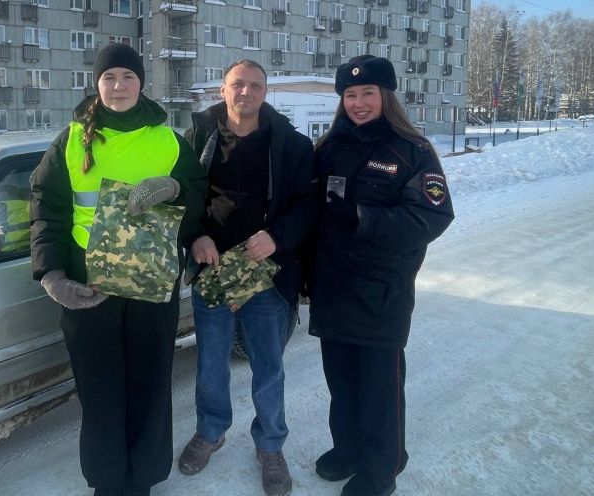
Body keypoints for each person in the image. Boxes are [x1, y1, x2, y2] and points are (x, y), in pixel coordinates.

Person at [30, 42, 206, 496]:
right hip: (88, 286)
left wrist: (174, 187)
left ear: (142, 82)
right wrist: (52, 275)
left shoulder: (166, 139)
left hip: (151, 283)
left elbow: (199, 199)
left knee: (149, 385)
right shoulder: (72, 140)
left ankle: (143, 479)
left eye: (128, 76)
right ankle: (108, 482)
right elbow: (45, 210)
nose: (119, 85)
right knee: (100, 389)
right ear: (96, 84)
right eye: (109, 77)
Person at [308, 55, 454, 496]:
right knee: (342, 381)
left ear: (385, 96)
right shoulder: (328, 148)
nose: (358, 102)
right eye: (350, 95)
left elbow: (432, 218)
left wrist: (361, 216)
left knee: (379, 389)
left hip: (380, 291)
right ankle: (348, 449)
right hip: (333, 286)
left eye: (367, 93)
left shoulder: (412, 150)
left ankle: (382, 468)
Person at [179, 60, 315, 496]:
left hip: (267, 275)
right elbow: (182, 199)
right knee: (211, 362)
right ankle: (211, 430)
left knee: (268, 366)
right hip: (214, 271)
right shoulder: (198, 138)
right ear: (223, 89)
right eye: (238, 84)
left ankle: (271, 444)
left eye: (255, 85)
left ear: (265, 92)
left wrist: (277, 237)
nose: (246, 92)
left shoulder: (290, 144)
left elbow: (309, 206)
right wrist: (195, 236)